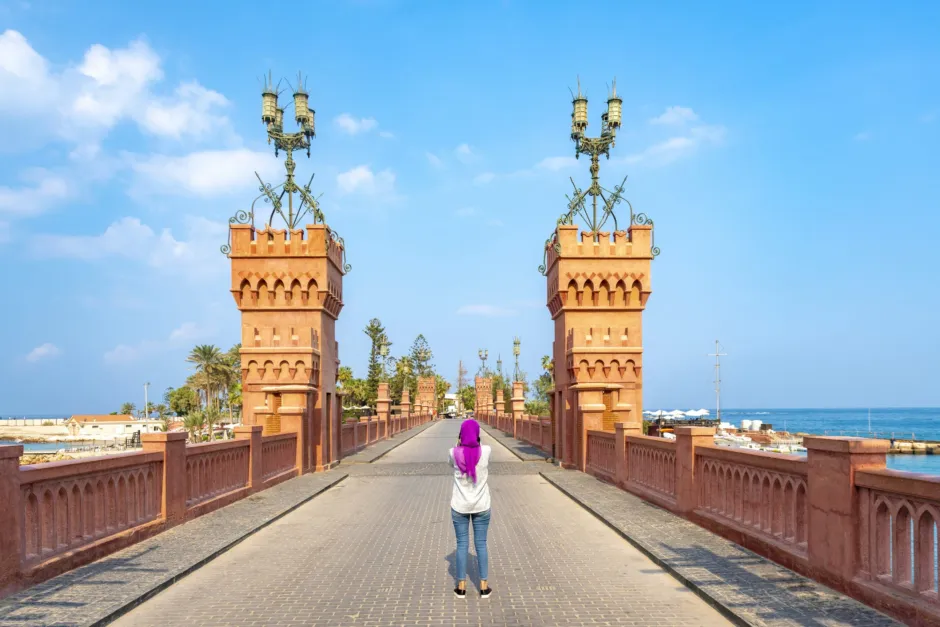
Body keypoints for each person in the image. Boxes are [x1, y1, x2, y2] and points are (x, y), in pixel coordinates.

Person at [449, 419, 492, 599]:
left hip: (459, 506)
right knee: (481, 544)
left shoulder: (453, 453)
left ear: (460, 435)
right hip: (482, 505)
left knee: (462, 544)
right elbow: (479, 447)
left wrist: (459, 444)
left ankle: (461, 587)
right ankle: (483, 587)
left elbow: (452, 462)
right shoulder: (487, 451)